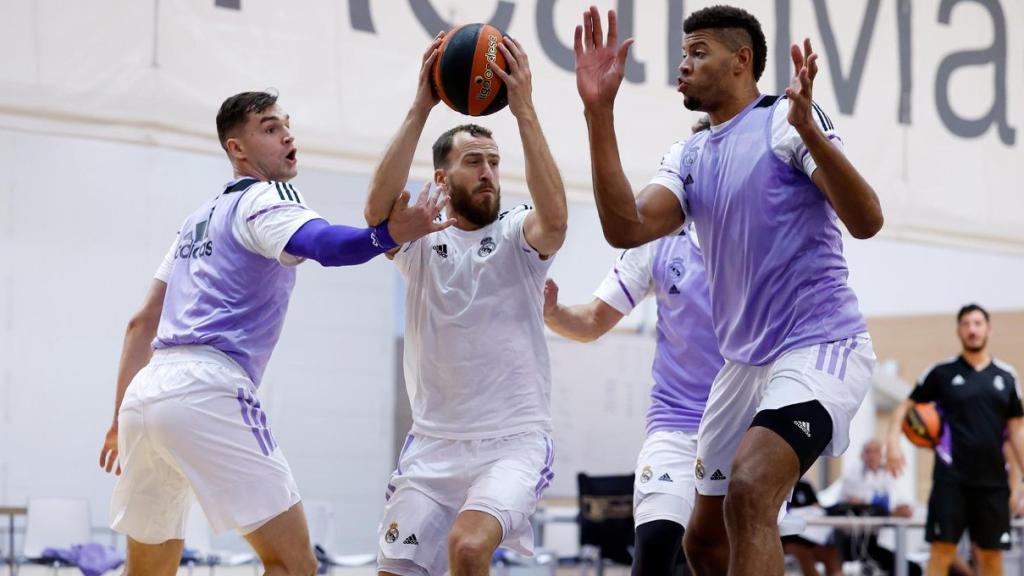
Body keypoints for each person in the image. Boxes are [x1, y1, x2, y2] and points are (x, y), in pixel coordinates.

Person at [572, 5, 883, 575]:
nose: (682, 66)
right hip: (742, 368)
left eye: (697, 53)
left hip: (819, 346)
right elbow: (626, 227)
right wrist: (599, 111)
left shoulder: (787, 121)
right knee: (705, 545)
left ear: (742, 61)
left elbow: (867, 220)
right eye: (682, 54)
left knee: (751, 487)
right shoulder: (688, 155)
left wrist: (814, 131)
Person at [97, 90, 451, 576]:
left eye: (287, 125)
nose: (287, 134)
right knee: (292, 564)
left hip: (144, 397)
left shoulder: (194, 222)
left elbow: (140, 324)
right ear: (237, 149)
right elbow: (324, 245)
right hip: (208, 388)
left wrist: (118, 420)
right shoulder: (264, 198)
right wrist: (387, 235)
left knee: (148, 571)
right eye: (269, 127)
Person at [364, 33, 567, 576]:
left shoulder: (517, 236)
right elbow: (375, 214)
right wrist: (420, 107)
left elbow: (557, 222)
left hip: (513, 442)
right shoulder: (421, 239)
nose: (488, 172)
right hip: (431, 446)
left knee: (469, 548)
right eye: (473, 161)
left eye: (494, 163)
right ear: (441, 177)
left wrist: (524, 111)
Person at [543, 223, 722, 576]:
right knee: (655, 540)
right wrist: (552, 312)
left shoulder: (755, 232)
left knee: (722, 555)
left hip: (742, 425)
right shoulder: (658, 243)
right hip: (674, 424)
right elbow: (593, 320)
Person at [887, 304, 1023, 576]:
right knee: (941, 551)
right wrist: (892, 441)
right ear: (958, 331)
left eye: (977, 323)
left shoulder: (1007, 376)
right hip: (951, 479)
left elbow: (1017, 430)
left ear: (988, 329)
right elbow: (905, 406)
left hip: (992, 481)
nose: (972, 329)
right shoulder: (941, 373)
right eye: (966, 324)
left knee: (990, 554)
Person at [834, 440, 920, 576]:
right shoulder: (852, 471)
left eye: (875, 451)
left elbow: (895, 500)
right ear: (862, 454)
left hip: (872, 541)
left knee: (912, 569)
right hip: (848, 540)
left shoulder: (886, 473)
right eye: (868, 451)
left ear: (881, 455)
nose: (872, 456)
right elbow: (855, 498)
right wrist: (881, 503)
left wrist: (884, 504)